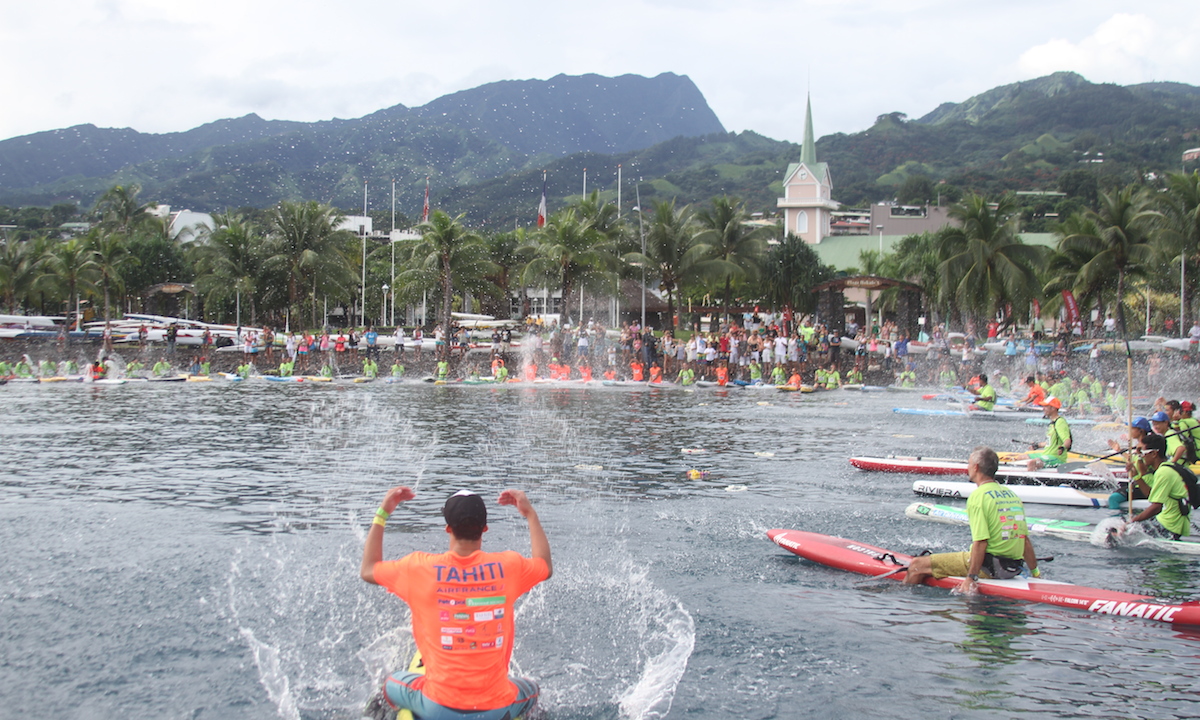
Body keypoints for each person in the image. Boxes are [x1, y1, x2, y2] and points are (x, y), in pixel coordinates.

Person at [361, 488, 551, 720]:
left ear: (448, 528)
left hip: (436, 707)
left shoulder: (418, 568)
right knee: (533, 691)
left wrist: (383, 513)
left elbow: (368, 569)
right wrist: (530, 514)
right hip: (497, 708)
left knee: (390, 684)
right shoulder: (509, 566)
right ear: (485, 529)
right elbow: (544, 565)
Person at [904, 446, 1040, 591]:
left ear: (975, 467)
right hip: (1013, 569)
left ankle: (903, 600)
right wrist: (1036, 573)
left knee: (917, 565)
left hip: (990, 568)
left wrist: (971, 577)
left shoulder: (978, 497)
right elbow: (1024, 540)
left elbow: (981, 542)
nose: (967, 468)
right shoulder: (1012, 495)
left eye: (968, 464)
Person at [1122, 433, 1191, 541]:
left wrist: (1132, 521)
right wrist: (1136, 475)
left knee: (1122, 534)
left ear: (1154, 453)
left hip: (1169, 525)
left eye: (1143, 453)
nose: (1142, 456)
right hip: (1172, 522)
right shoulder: (1168, 467)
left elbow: (1156, 508)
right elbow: (1150, 494)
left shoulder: (1163, 473)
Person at [1027, 397, 1072, 470]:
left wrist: (1063, 447)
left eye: (1046, 406)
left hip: (1056, 457)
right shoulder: (1052, 423)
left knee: (1031, 463)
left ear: (1053, 408)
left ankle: (1029, 480)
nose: (1043, 408)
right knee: (1021, 457)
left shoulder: (1060, 422)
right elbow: (1049, 443)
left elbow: (1067, 440)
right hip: (1047, 455)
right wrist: (1037, 445)